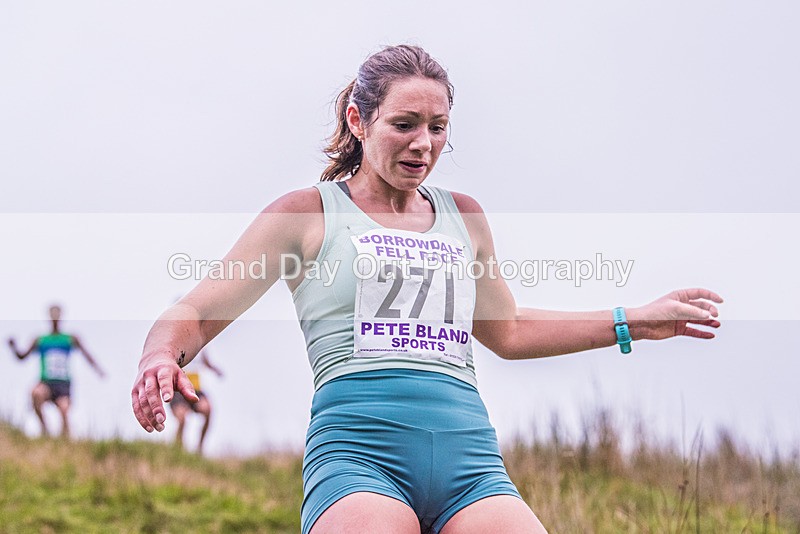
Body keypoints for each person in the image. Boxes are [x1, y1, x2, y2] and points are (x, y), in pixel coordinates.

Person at [131, 45, 722, 534]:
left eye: (438, 128)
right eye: (405, 124)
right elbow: (197, 311)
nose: (424, 144)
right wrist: (159, 355)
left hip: (471, 464)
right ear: (359, 122)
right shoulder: (307, 214)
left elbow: (508, 330)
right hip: (359, 458)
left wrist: (632, 320)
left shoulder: (464, 216)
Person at [9, 304, 105, 438]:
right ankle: (45, 430)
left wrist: (98, 370)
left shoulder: (69, 339)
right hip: (46, 382)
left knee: (64, 410)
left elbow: (87, 354)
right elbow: (22, 356)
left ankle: (64, 441)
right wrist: (13, 347)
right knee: (36, 393)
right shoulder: (41, 340)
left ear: (60, 317)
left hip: (63, 383)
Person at [169, 350, 223, 454]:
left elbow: (205, 361)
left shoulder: (200, 345)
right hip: (178, 389)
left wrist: (215, 369)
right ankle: (177, 448)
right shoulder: (175, 344)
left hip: (195, 388)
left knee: (207, 408)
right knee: (182, 418)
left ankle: (200, 447)